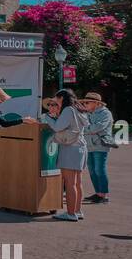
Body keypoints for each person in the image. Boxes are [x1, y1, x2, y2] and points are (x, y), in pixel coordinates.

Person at [26, 89, 87, 221]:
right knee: (77, 182)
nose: (55, 102)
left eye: (56, 99)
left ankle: (71, 214)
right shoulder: (78, 109)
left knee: (70, 183)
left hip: (70, 148)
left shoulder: (68, 110)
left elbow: (57, 127)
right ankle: (77, 211)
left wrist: (48, 117)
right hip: (81, 147)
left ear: (62, 98)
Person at [81, 92, 115, 203]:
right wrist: (87, 129)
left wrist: (85, 130)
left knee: (99, 169)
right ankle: (98, 193)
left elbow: (98, 127)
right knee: (92, 170)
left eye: (87, 102)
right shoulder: (86, 113)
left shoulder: (106, 113)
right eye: (84, 102)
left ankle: (103, 195)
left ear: (96, 103)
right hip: (88, 145)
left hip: (100, 145)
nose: (84, 104)